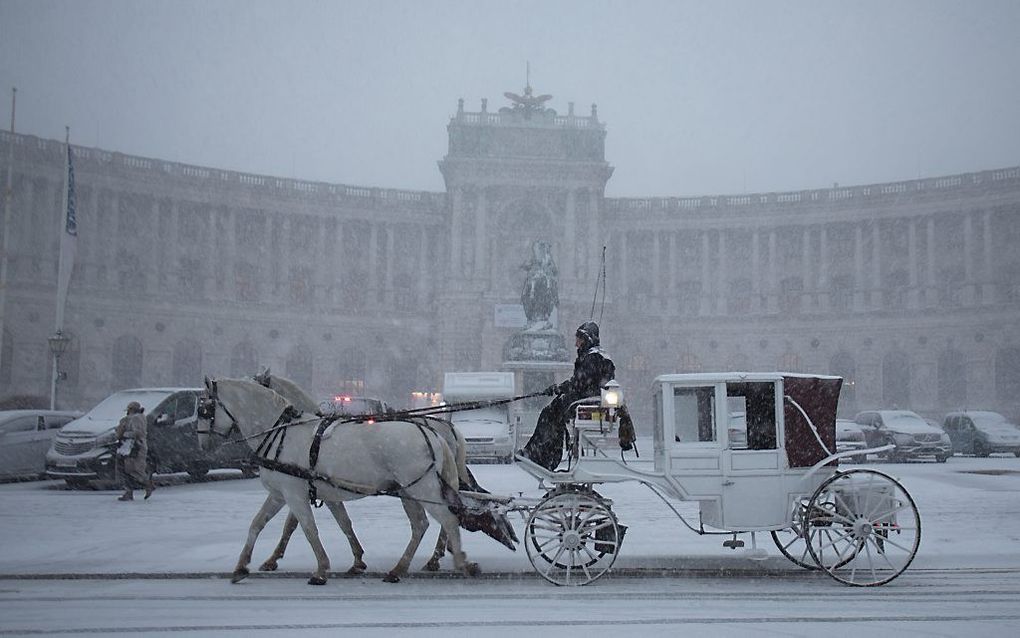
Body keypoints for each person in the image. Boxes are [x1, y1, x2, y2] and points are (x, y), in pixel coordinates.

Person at [518, 321, 616, 470]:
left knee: (549, 414)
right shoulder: (597, 356)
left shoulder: (592, 358)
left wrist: (560, 389)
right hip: (589, 400)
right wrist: (560, 388)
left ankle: (541, 455)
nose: (576, 344)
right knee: (553, 412)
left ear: (587, 339)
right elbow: (581, 382)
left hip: (586, 402)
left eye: (579, 340)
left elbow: (579, 383)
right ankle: (543, 454)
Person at [115, 401, 153, 501]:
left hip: (133, 446)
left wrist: (123, 433)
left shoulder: (135, 418)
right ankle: (132, 490)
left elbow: (138, 432)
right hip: (132, 446)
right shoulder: (139, 417)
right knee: (130, 470)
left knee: (131, 470)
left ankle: (145, 485)